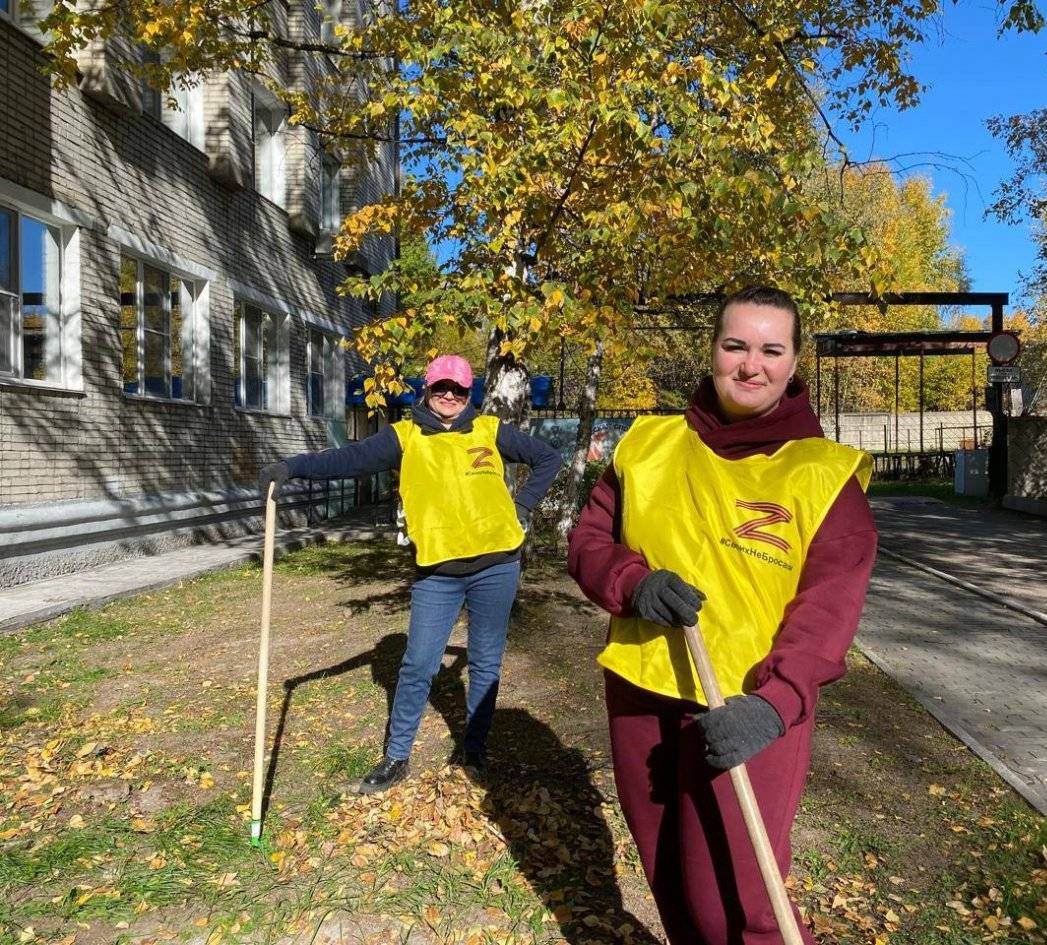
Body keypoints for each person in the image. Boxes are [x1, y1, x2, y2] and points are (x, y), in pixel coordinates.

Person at [567, 286, 878, 944]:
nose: (750, 364)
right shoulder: (647, 444)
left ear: (794, 363)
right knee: (669, 879)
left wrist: (775, 704)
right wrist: (632, 581)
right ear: (711, 351)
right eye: (735, 345)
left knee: (736, 906)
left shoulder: (823, 474)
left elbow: (830, 606)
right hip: (639, 687)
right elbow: (588, 542)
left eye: (771, 349)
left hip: (749, 708)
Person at [259, 354, 562, 793]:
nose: (449, 396)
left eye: (458, 389)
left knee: (484, 661)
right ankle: (396, 757)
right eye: (441, 386)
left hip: (498, 565)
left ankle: (474, 753)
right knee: (418, 663)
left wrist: (522, 506)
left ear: (468, 392)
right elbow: (349, 459)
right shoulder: (405, 436)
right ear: (427, 387)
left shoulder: (488, 429)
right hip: (438, 573)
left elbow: (548, 459)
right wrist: (293, 468)